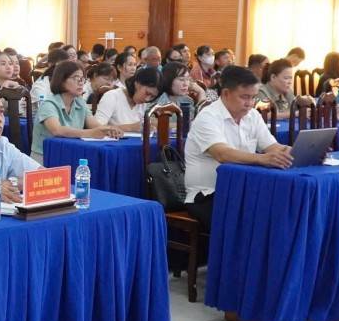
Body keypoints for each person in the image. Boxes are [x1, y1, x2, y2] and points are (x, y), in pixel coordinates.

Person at [183, 66, 293, 229]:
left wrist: (297, 151)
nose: (250, 103)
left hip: (242, 190)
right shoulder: (207, 117)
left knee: (281, 208)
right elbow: (222, 154)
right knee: (257, 219)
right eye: (244, 97)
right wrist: (261, 159)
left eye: (253, 97)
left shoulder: (253, 115)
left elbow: (272, 146)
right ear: (226, 93)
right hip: (208, 195)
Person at [31, 61, 123, 160]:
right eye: (76, 78)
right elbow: (57, 130)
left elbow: (95, 125)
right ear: (61, 80)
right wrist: (91, 133)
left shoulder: (79, 102)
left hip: (70, 154)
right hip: (46, 157)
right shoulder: (49, 103)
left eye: (82, 78)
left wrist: (108, 130)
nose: (80, 82)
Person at [94, 67, 160, 132]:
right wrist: (131, 127)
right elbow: (97, 128)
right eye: (147, 93)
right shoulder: (112, 96)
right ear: (137, 83)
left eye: (152, 97)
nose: (147, 99)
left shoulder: (144, 104)